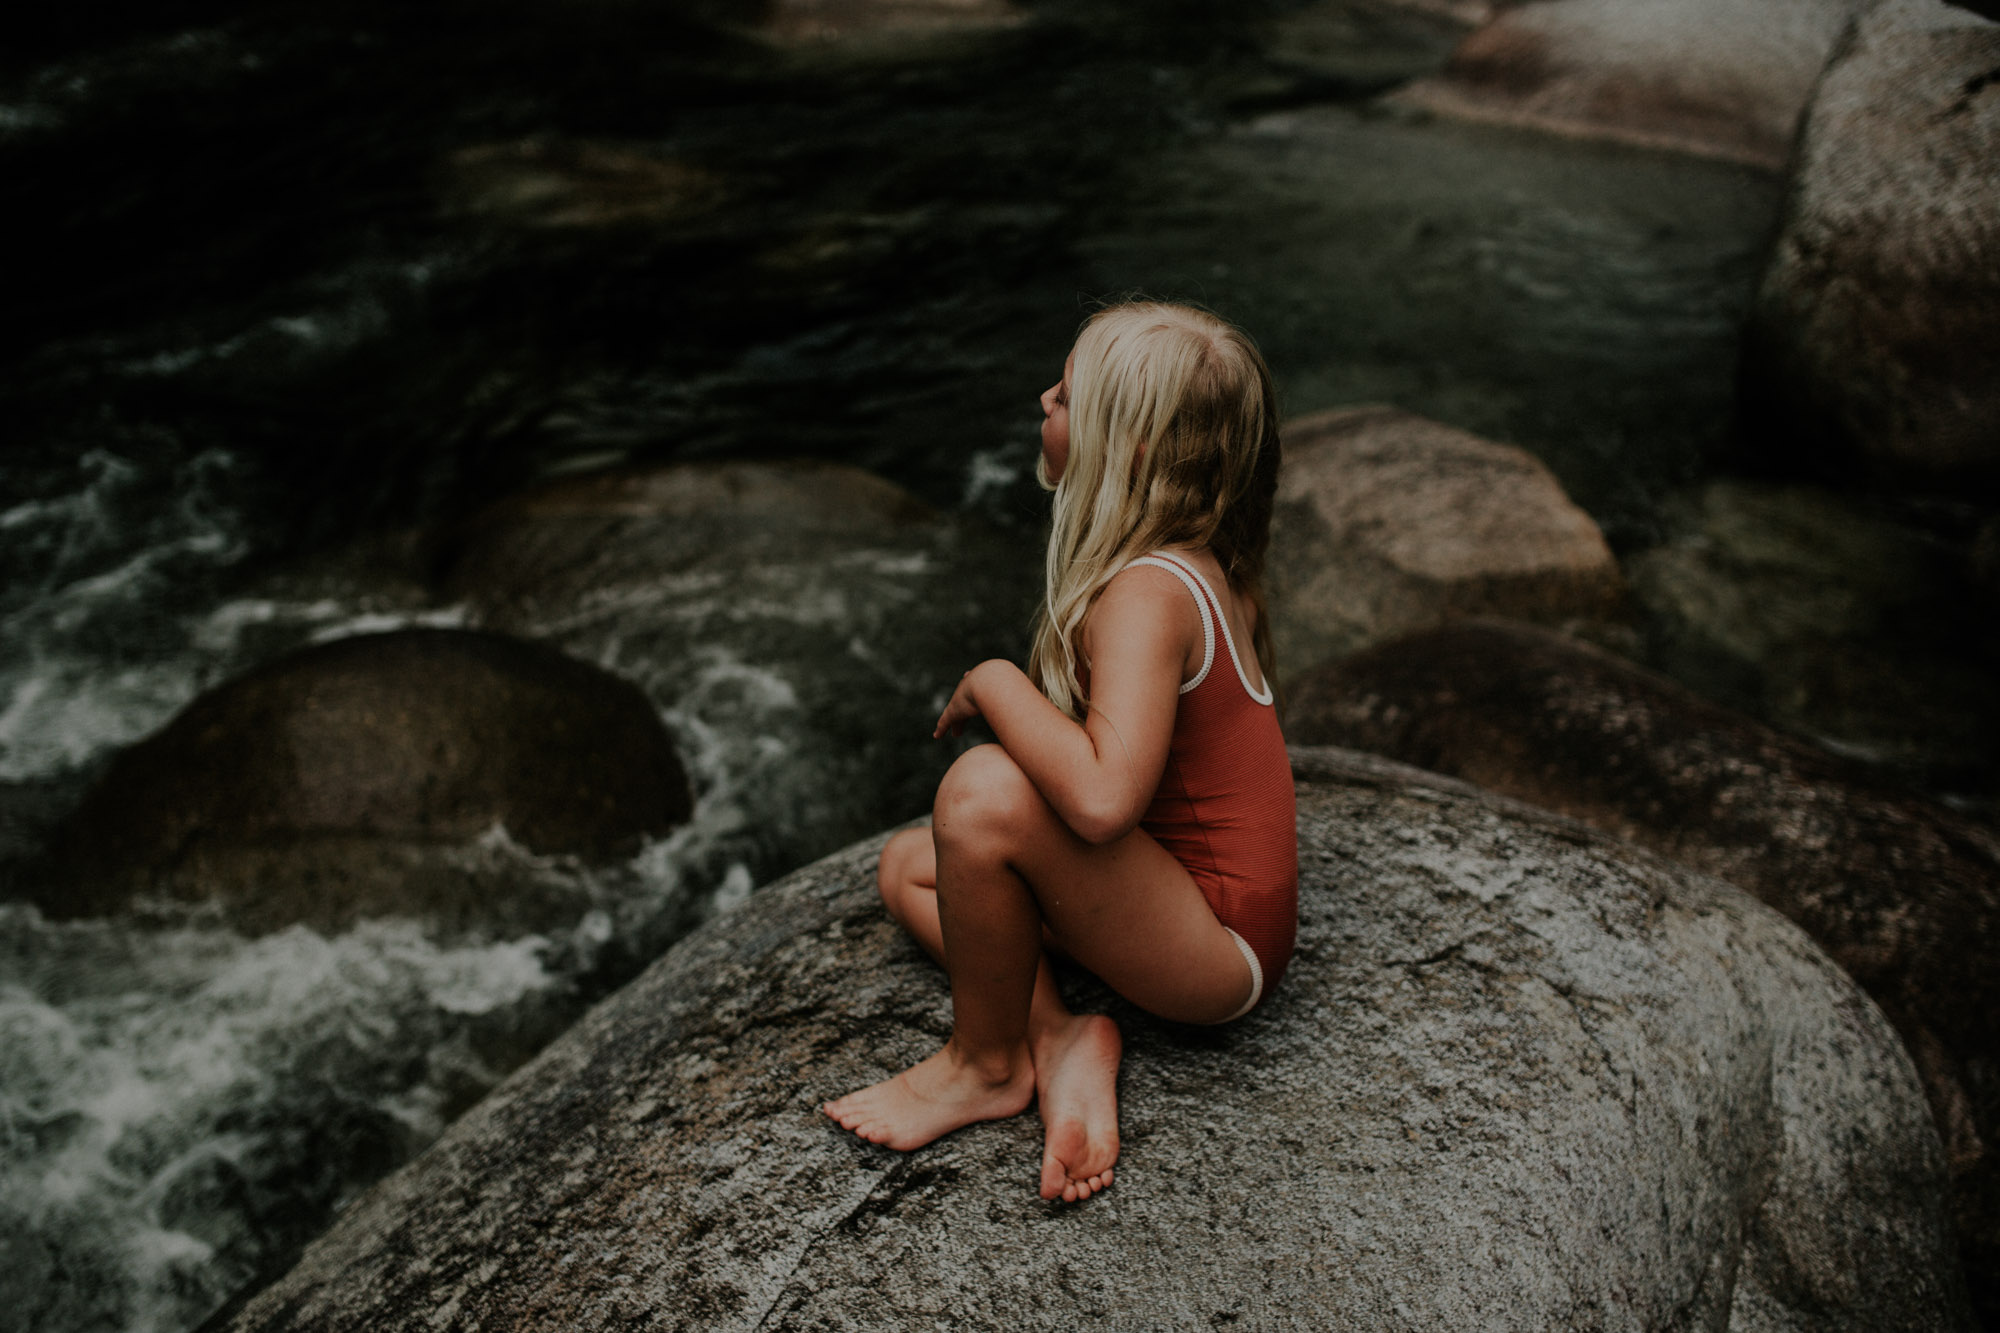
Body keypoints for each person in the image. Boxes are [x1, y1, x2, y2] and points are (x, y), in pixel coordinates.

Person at [822, 301, 1298, 1204]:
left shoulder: (1148, 594)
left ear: (1132, 449)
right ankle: (1060, 1037)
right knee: (909, 870)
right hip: (1175, 905)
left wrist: (996, 680)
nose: (1044, 396)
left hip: (1218, 947)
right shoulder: (1192, 556)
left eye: (1069, 396)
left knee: (982, 792)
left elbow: (1101, 800)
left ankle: (985, 1065)